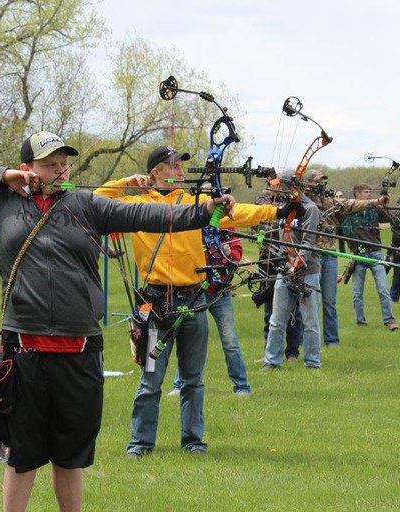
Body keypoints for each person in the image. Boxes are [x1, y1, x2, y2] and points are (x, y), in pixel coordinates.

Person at [0, 131, 234, 512]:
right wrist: (5, 176)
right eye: (49, 164)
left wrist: (206, 209)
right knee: (22, 455)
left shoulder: (88, 205)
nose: (60, 170)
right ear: (29, 168)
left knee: (70, 455)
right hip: (22, 351)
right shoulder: (4, 203)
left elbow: (151, 214)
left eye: (64, 162)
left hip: (79, 351)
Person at [95, 146, 294, 458]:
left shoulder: (194, 203)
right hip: (156, 303)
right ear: (155, 173)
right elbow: (94, 201)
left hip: (193, 301)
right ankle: (140, 444)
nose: (180, 171)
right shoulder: (133, 206)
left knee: (192, 380)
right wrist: (125, 182)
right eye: (172, 166)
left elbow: (234, 212)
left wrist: (278, 212)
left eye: (180, 166)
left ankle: (193, 441)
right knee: (151, 380)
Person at [304, 169, 389, 346]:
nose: (320, 185)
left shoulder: (329, 200)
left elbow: (350, 204)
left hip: (329, 254)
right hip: (310, 255)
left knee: (330, 301)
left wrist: (375, 201)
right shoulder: (303, 201)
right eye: (317, 182)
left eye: (322, 181)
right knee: (310, 302)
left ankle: (332, 341)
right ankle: (306, 341)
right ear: (308, 183)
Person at [168, 229, 251, 396]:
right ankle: (179, 384)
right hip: (197, 291)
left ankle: (242, 386)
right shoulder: (194, 226)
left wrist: (229, 254)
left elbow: (237, 253)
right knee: (191, 340)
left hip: (221, 292)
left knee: (229, 341)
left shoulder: (227, 226)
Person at [261, 170, 322, 369]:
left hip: (307, 272)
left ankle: (313, 362)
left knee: (310, 321)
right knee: (276, 320)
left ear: (293, 187)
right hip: (285, 269)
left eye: (283, 187)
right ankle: (272, 361)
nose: (279, 190)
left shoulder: (310, 209)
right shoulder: (283, 207)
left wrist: (297, 264)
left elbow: (308, 242)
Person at [254, 177, 303, 362]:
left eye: (278, 184)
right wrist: (274, 193)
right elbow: (262, 203)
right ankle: (270, 353)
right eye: (272, 185)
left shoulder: (293, 203)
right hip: (268, 262)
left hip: (289, 261)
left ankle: (292, 353)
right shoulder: (265, 201)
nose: (275, 187)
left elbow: (294, 208)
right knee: (269, 311)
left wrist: (290, 198)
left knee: (293, 312)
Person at [340, 184, 399, 331]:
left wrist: (384, 204)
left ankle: (389, 320)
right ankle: (360, 321)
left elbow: (391, 218)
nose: (368, 194)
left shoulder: (374, 208)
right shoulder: (347, 209)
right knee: (357, 293)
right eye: (366, 192)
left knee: (383, 289)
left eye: (368, 192)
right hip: (358, 255)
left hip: (375, 252)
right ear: (357, 194)